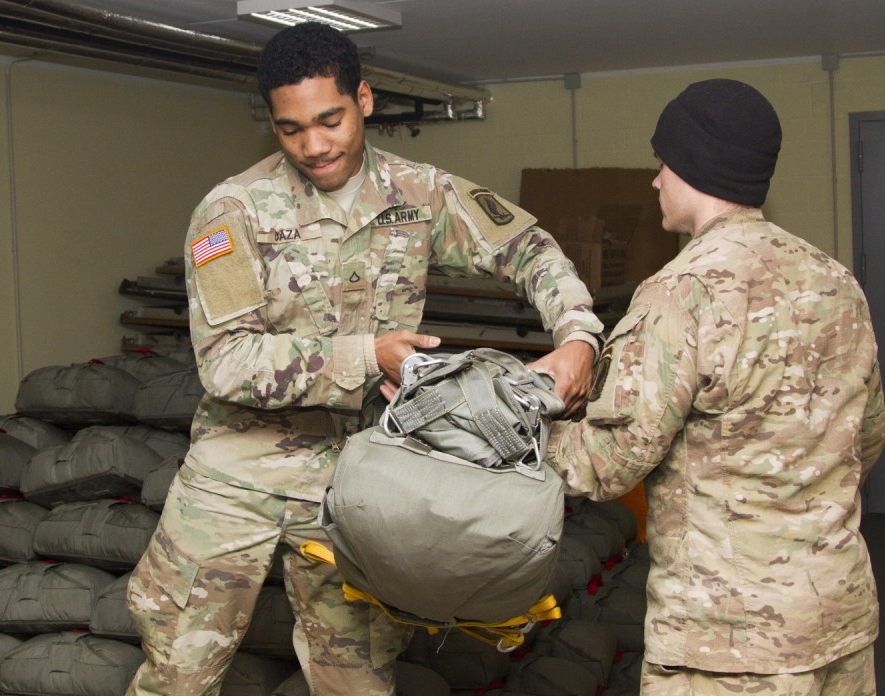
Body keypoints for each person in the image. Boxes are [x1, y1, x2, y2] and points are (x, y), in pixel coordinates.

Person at [126, 21, 603, 696]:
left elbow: (528, 248)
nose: (314, 145)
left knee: (358, 682)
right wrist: (366, 355)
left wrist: (578, 335)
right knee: (176, 675)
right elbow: (227, 363)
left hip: (356, 485)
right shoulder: (232, 214)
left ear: (366, 101)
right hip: (235, 480)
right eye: (291, 129)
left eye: (330, 119)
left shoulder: (420, 193)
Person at [549, 78, 885, 695]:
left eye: (662, 162)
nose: (655, 180)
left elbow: (606, 466)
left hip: (728, 646)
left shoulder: (682, 293)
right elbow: (866, 440)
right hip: (838, 619)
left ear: (691, 166)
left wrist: (516, 425)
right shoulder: (838, 283)